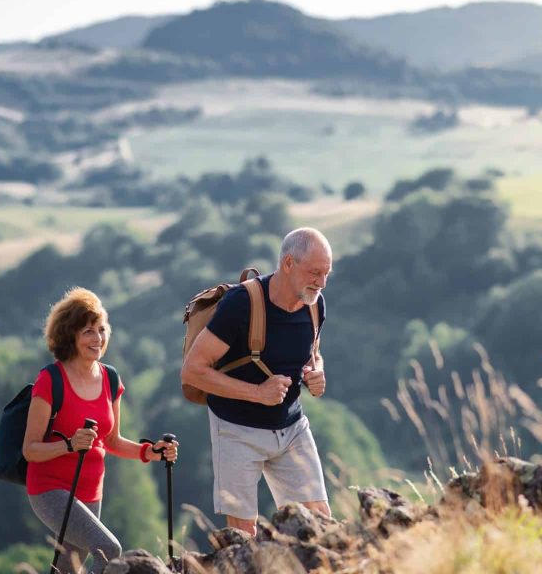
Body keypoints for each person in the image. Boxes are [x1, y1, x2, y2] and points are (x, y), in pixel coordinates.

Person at [181, 227, 332, 536]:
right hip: (236, 429)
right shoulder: (241, 304)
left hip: (291, 429)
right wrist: (257, 393)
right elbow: (192, 371)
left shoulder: (316, 304)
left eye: (327, 273)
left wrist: (316, 371)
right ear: (288, 263)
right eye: (314, 272)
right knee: (242, 537)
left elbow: (311, 352)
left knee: (320, 525)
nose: (321, 282)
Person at [23, 287, 178, 574]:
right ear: (70, 334)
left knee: (68, 569)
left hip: (91, 491)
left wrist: (151, 452)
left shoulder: (110, 378)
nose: (98, 339)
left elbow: (112, 441)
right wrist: (69, 445)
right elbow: (30, 449)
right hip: (50, 489)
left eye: (101, 329)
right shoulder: (50, 380)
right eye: (88, 331)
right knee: (109, 550)